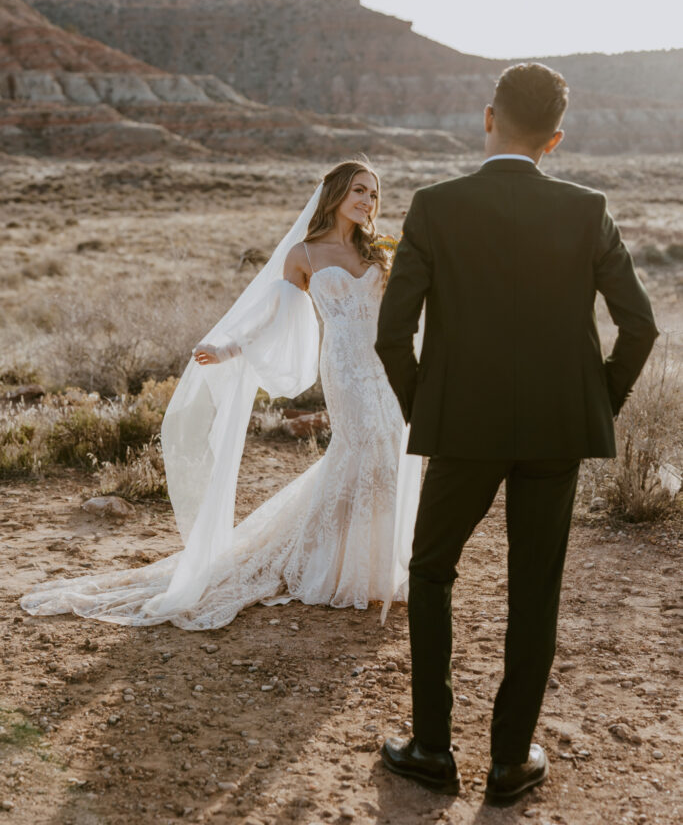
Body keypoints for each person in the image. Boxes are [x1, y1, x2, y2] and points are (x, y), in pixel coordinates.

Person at [375, 63, 658, 804]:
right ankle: (507, 764)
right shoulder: (586, 208)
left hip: (460, 429)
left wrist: (425, 410)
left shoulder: (434, 207)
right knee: (536, 589)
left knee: (430, 573)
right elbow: (640, 325)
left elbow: (390, 334)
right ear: (555, 139)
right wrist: (595, 401)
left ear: (487, 117)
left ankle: (431, 749)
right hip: (555, 433)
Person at [21, 160, 422, 629]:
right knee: (362, 447)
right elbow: (273, 319)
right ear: (334, 194)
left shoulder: (380, 250)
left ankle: (375, 568)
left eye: (373, 194)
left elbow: (407, 307)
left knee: (390, 448)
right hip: (346, 370)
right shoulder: (304, 254)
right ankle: (329, 567)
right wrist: (228, 347)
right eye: (358, 190)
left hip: (385, 365)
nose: (367, 201)